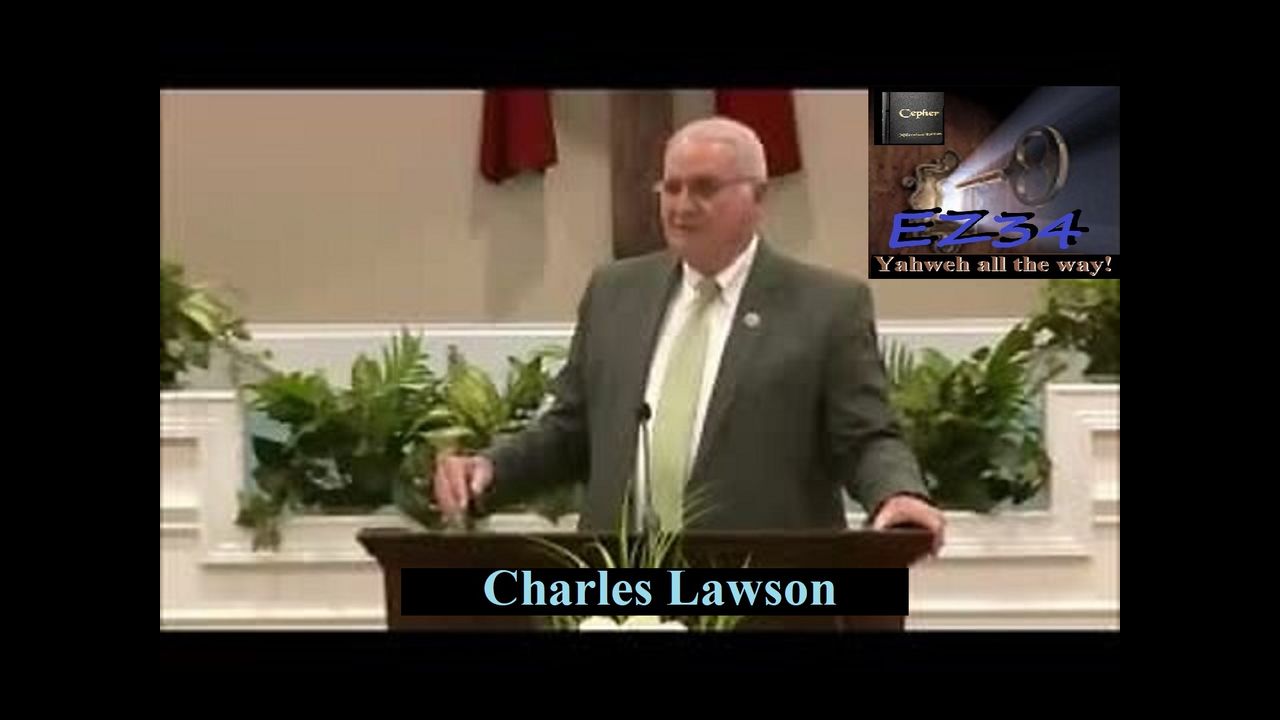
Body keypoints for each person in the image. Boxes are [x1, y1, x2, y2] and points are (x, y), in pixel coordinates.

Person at [436, 116, 944, 556]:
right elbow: (570, 430)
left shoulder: (825, 306)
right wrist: (490, 470)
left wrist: (898, 493)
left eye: (704, 188)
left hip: (763, 591)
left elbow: (865, 437)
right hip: (624, 589)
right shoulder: (615, 293)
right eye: (671, 187)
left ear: (758, 197)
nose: (681, 205)